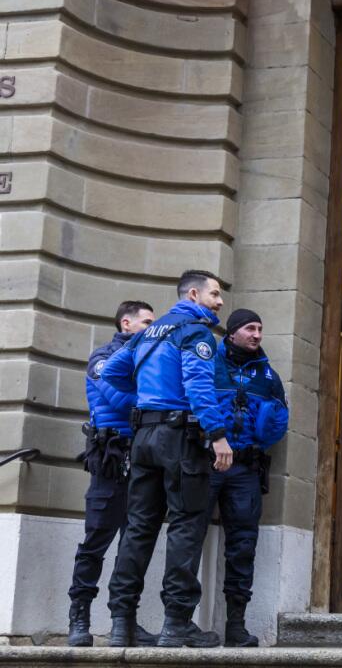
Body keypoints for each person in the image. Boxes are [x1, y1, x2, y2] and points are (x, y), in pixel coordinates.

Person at [102, 270, 231, 648]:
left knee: (139, 528)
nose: (220, 302)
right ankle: (177, 623)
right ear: (193, 295)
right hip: (180, 440)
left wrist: (147, 398)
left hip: (144, 437)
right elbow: (198, 385)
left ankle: (122, 624)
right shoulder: (195, 333)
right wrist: (218, 435)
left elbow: (111, 372)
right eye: (215, 294)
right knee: (186, 526)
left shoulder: (147, 333)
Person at [67, 301, 157, 647]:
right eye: (146, 322)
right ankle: (79, 618)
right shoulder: (103, 358)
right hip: (110, 459)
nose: (151, 328)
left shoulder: (148, 358)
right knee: (95, 543)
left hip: (143, 459)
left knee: (132, 546)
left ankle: (125, 621)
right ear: (126, 323)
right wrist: (157, 400)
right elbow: (119, 398)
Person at [203, 309, 289, 646]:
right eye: (250, 328)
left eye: (260, 329)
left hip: (245, 470)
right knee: (189, 537)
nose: (257, 335)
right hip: (207, 463)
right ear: (232, 332)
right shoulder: (209, 363)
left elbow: (279, 419)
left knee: (242, 546)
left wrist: (258, 440)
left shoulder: (268, 376)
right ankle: (178, 622)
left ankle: (235, 626)